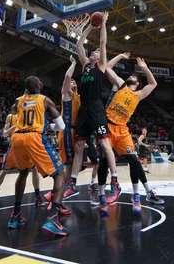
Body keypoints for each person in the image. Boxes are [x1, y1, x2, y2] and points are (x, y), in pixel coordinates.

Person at [3, 76, 69, 236]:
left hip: (17, 138)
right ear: (39, 85)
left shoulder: (18, 101)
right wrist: (48, 125)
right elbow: (61, 126)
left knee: (23, 172)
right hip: (34, 137)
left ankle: (15, 215)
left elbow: (16, 110)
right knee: (61, 173)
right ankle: (53, 217)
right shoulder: (45, 100)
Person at [68, 12, 122, 205]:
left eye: (96, 53)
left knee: (105, 145)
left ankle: (114, 182)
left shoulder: (101, 66)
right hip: (84, 108)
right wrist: (91, 25)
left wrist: (104, 24)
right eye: (93, 53)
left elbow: (103, 43)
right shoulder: (84, 66)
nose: (94, 53)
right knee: (78, 146)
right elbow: (79, 45)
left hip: (97, 108)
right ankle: (72, 183)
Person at [101, 55, 163, 215]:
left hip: (122, 130)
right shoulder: (121, 85)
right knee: (103, 161)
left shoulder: (139, 94)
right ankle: (102, 195)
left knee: (133, 161)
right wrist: (120, 56)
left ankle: (136, 195)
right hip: (107, 126)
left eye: (134, 77)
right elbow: (107, 67)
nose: (131, 76)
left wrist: (144, 67)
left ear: (137, 83)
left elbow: (153, 83)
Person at [0, 104, 47, 207]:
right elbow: (5, 134)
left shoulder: (29, 117)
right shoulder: (11, 117)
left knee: (34, 169)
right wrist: (13, 128)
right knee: (4, 171)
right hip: (15, 145)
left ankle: (37, 197)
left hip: (28, 145)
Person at [59, 56, 82, 199]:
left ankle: (67, 187)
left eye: (74, 81)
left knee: (73, 163)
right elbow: (67, 77)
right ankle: (62, 190)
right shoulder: (66, 94)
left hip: (76, 131)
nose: (72, 82)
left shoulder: (78, 97)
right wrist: (74, 63)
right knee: (68, 164)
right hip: (67, 130)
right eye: (71, 82)